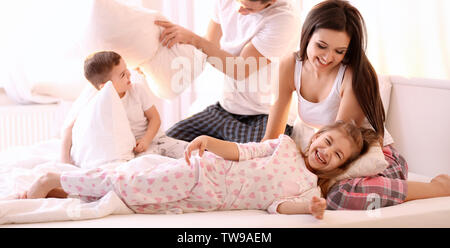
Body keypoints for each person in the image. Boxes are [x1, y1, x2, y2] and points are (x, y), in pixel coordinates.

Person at [261, 0, 450, 210]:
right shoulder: (291, 65)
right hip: (334, 157)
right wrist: (262, 165)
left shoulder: (351, 75)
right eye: (321, 46)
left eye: (339, 51)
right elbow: (272, 137)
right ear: (307, 36)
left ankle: (438, 188)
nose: (327, 57)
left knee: (338, 196)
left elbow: (341, 146)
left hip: (373, 158)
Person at [20, 121, 381, 219]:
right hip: (202, 174)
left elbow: (280, 207)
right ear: (315, 136)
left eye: (336, 155)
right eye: (327, 142)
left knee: (139, 202)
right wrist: (209, 141)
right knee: (133, 183)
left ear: (340, 167)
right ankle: (54, 177)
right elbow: (242, 151)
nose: (326, 152)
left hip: (207, 202)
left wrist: (310, 208)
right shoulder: (283, 146)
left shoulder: (310, 191)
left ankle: (68, 189)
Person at [154, 0, 301, 144]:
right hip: (225, 109)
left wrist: (193, 39)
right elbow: (209, 45)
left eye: (249, 9)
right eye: (239, 1)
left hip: (263, 115)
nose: (240, 10)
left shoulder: (284, 19)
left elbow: (239, 70)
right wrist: (156, 58)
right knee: (165, 143)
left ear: (272, 1)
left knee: (247, 163)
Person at [60, 51, 165, 164]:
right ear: (106, 86)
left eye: (126, 69)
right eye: (122, 75)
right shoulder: (95, 102)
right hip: (131, 150)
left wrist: (146, 140)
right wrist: (65, 162)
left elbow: (155, 118)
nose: (129, 74)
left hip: (151, 139)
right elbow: (70, 128)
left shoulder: (136, 90)